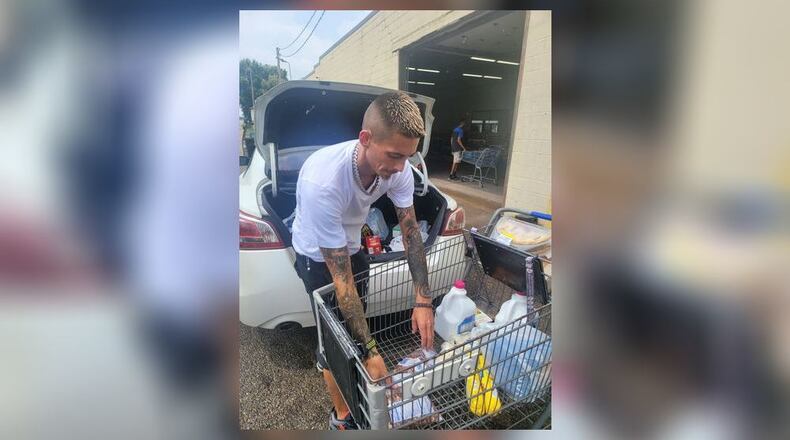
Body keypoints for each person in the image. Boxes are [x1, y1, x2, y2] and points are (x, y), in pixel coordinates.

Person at [291, 91, 435, 430]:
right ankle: (342, 418)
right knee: (335, 339)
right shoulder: (324, 182)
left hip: (352, 246)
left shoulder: (398, 169)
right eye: (395, 156)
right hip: (317, 254)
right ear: (365, 139)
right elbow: (340, 281)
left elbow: (411, 233)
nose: (401, 168)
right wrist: (372, 351)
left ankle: (359, 362)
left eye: (409, 157)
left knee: (357, 324)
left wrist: (423, 299)